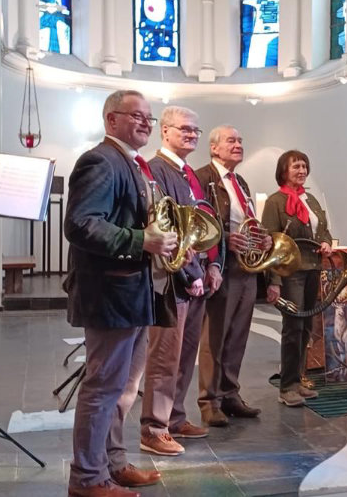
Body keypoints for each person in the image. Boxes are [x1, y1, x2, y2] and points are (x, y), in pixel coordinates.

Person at [64, 90, 173, 497]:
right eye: (137, 116)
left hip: (134, 293)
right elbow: (80, 224)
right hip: (111, 294)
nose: (147, 123)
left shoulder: (131, 163)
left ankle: (113, 463)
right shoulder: (100, 160)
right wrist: (141, 239)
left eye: (150, 117)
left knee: (125, 389)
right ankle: (87, 478)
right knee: (103, 388)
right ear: (111, 120)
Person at [139, 105, 221, 455]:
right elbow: (167, 229)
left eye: (195, 130)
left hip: (199, 278)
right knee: (165, 358)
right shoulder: (157, 170)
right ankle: (153, 429)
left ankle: (175, 417)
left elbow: (208, 224)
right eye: (184, 129)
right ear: (166, 131)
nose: (191, 134)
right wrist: (191, 273)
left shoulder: (190, 173)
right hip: (173, 281)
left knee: (186, 356)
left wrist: (216, 267)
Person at [194, 125, 266, 426]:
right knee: (215, 336)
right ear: (214, 148)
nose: (238, 145)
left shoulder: (241, 182)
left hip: (246, 268)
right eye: (231, 141)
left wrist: (262, 238)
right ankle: (210, 401)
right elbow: (197, 224)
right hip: (221, 267)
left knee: (237, 335)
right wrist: (225, 237)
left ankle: (230, 394)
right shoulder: (202, 178)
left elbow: (247, 220)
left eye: (240, 140)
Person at [262, 150, 334, 407]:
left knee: (305, 327)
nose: (301, 171)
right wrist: (274, 281)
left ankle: (298, 378)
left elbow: (323, 229)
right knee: (293, 327)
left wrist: (325, 242)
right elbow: (270, 245)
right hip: (290, 272)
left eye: (304, 166)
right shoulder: (275, 202)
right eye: (296, 167)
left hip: (313, 267)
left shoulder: (311, 200)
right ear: (284, 171)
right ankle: (287, 386)